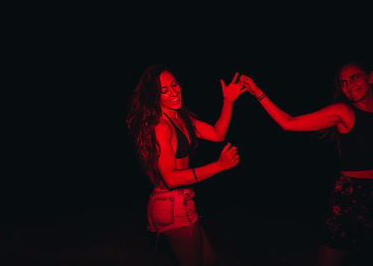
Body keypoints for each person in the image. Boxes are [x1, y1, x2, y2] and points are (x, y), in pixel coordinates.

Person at [241, 61, 373, 266]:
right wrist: (258, 92)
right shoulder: (343, 112)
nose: (348, 85)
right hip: (352, 196)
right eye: (343, 82)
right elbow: (288, 123)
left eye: (354, 78)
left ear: (370, 77)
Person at [126, 65, 245, 265]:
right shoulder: (161, 127)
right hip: (170, 204)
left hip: (183, 201)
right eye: (164, 91)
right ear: (154, 97)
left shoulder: (181, 117)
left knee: (209, 260)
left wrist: (228, 101)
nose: (173, 93)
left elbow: (217, 134)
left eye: (175, 85)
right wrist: (219, 165)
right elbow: (171, 179)